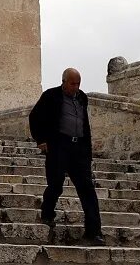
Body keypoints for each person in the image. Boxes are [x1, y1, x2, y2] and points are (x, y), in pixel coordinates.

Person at [28, 67, 102, 242]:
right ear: (64, 82)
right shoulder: (50, 96)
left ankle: (94, 231)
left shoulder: (82, 98)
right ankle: (47, 213)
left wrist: (87, 151)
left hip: (79, 149)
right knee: (56, 184)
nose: (75, 87)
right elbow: (34, 117)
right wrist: (41, 140)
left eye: (78, 84)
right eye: (72, 83)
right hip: (59, 145)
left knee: (87, 189)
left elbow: (85, 125)